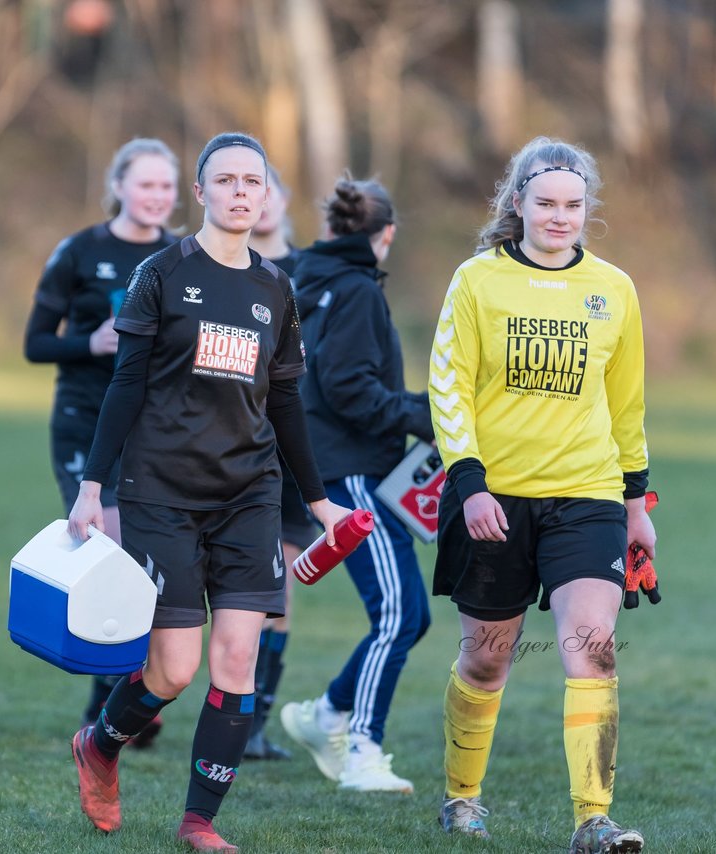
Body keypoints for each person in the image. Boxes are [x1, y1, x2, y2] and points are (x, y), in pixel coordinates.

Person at [66, 132, 350, 852]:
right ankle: (100, 744)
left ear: (265, 194)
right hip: (161, 490)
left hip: (249, 494)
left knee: (236, 661)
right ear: (201, 193)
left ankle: (199, 822)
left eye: (252, 181)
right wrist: (92, 486)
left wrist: (318, 504)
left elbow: (285, 405)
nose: (240, 192)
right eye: (225, 180)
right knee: (175, 668)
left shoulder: (276, 289)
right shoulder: (162, 273)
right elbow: (126, 383)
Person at [430, 136, 652, 853]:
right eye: (546, 203)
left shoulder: (615, 290)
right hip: (493, 499)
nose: (560, 217)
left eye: (573, 205)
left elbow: (628, 407)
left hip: (586, 495)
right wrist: (468, 485)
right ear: (517, 204)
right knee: (488, 657)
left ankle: (594, 819)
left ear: (588, 209)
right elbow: (449, 386)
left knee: (593, 648)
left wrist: (636, 505)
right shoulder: (476, 281)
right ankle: (462, 798)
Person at [279, 174, 434, 794]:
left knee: (412, 615)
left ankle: (325, 715)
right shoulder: (357, 291)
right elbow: (347, 388)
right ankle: (362, 750)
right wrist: (423, 416)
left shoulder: (309, 281)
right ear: (386, 234)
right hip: (354, 471)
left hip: (340, 465)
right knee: (397, 613)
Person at [25, 138, 179, 738]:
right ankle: (109, 702)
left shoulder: (182, 258)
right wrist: (87, 344)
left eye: (166, 187)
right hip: (85, 419)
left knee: (140, 561)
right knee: (110, 546)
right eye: (145, 185)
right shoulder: (80, 252)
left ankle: (115, 701)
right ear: (118, 185)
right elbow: (34, 343)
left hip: (155, 428)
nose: (155, 197)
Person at [243, 165, 314, 760]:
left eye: (269, 188)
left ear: (284, 200)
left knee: (280, 590)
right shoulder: (215, 269)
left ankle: (254, 723)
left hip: (291, 449)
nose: (257, 199)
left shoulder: (310, 272)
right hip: (230, 446)